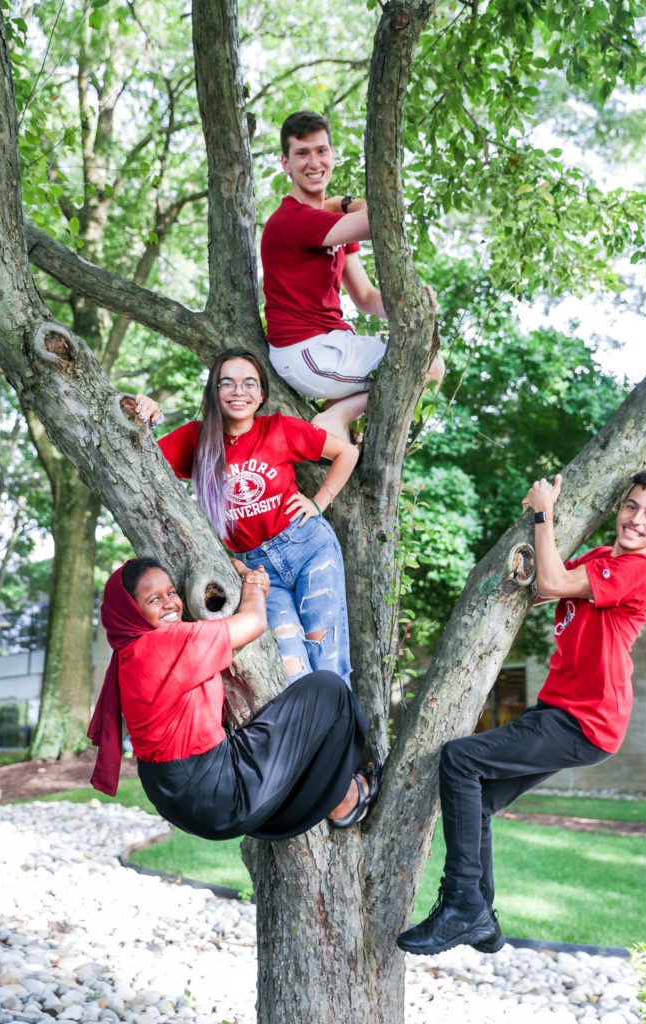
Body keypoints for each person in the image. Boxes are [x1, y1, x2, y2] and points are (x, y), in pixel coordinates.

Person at [397, 467, 646, 956]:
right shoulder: (600, 559)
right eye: (632, 506)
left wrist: (544, 512)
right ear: (619, 507)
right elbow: (547, 585)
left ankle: (462, 903)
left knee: (460, 760)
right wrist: (541, 533)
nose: (637, 519)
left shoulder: (644, 569)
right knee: (480, 800)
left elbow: (552, 577)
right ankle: (480, 918)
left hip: (586, 719)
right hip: (559, 710)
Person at [87, 557, 381, 836]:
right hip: (214, 792)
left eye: (171, 592)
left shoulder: (128, 655)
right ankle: (343, 798)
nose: (170, 604)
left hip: (178, 798)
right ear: (131, 611)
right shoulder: (165, 644)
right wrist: (253, 584)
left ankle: (310, 801)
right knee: (328, 691)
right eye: (154, 599)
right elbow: (253, 622)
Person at [135, 347, 358, 686]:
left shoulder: (279, 428)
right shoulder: (196, 440)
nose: (239, 391)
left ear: (262, 393)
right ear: (214, 391)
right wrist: (146, 416)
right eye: (227, 383)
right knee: (292, 667)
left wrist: (319, 501)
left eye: (249, 383)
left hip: (308, 548)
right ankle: (312, 736)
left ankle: (343, 738)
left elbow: (347, 452)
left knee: (326, 659)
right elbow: (141, 460)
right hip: (257, 572)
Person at [260, 110, 444, 439]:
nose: (314, 162)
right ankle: (336, 416)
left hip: (329, 346)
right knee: (429, 365)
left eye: (321, 151)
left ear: (332, 155)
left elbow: (366, 299)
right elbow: (383, 218)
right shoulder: (294, 219)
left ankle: (340, 422)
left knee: (421, 360)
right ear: (286, 164)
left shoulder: (331, 227)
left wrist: (415, 307)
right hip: (307, 351)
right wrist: (343, 203)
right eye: (301, 153)